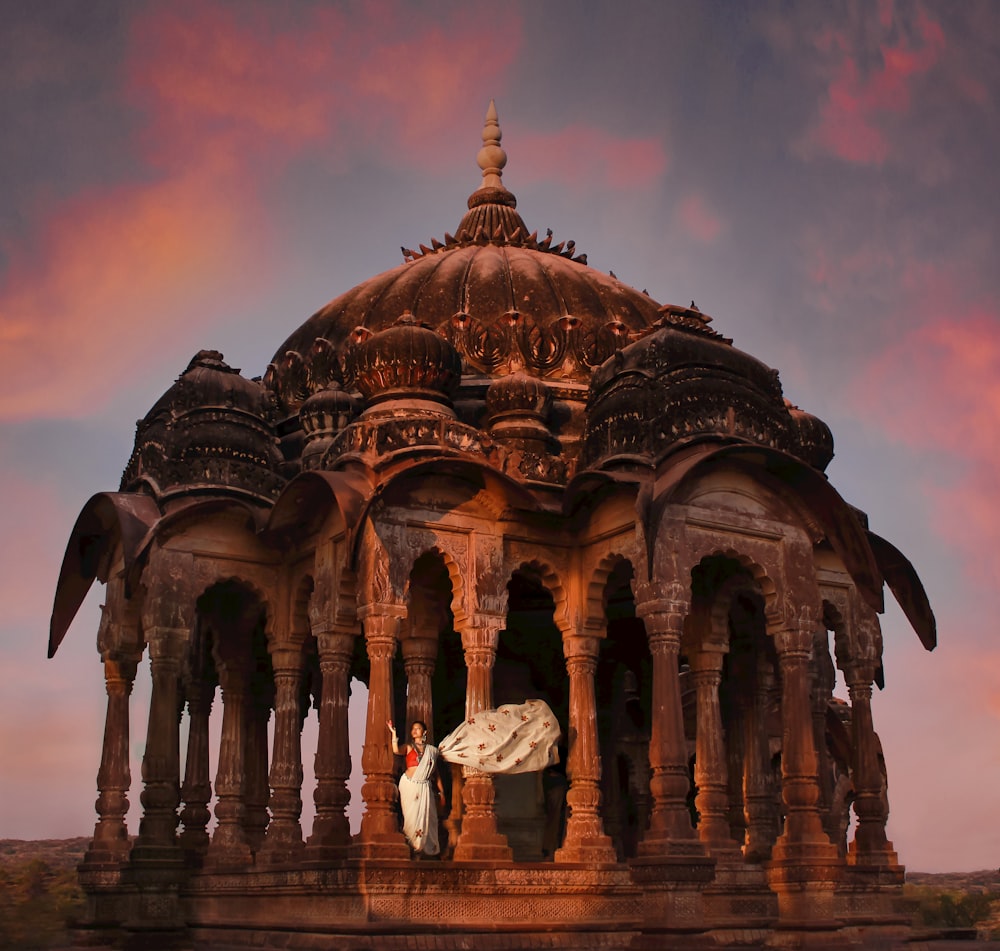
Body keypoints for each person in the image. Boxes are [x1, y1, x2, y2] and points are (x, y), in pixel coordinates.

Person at [387, 719, 446, 857]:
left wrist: (441, 791)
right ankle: (411, 846)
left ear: (424, 732)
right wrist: (393, 733)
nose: (414, 730)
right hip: (409, 784)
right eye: (413, 728)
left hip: (424, 786)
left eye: (418, 728)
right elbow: (396, 750)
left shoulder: (432, 751)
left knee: (427, 816)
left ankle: (424, 848)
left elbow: (435, 773)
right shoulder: (408, 747)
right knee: (411, 816)